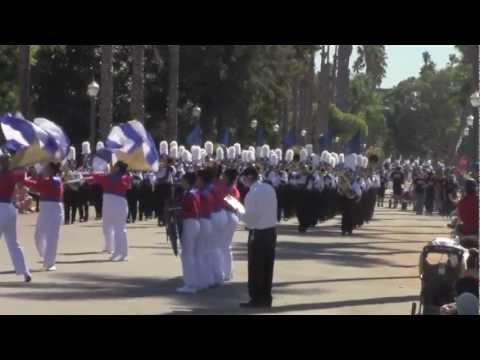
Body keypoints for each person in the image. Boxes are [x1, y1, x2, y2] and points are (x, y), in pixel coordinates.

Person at [238, 167, 278, 309]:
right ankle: (266, 298)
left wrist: (238, 213)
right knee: (267, 266)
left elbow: (250, 219)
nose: (242, 181)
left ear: (249, 177)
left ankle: (256, 299)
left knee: (256, 267)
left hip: (258, 233)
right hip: (271, 232)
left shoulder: (252, 194)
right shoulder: (269, 188)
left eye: (243, 178)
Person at [24, 162, 64, 271]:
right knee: (38, 236)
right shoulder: (46, 180)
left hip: (55, 210)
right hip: (45, 209)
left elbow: (36, 186)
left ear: (51, 170)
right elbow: (36, 188)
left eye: (46, 167)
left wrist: (25, 178)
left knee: (52, 237)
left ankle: (50, 263)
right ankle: (46, 256)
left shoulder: (56, 180)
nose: (44, 169)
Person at [89, 161, 132, 261]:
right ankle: (120, 252)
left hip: (116, 204)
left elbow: (97, 178)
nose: (112, 167)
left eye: (114, 166)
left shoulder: (113, 177)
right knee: (119, 229)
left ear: (117, 168)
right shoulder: (124, 176)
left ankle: (122, 253)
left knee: (119, 230)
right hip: (114, 204)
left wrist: (94, 173)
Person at [0, 153, 32, 282]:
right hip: (10, 208)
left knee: (13, 242)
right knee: (13, 243)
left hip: (1, 207)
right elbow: (24, 181)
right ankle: (25, 271)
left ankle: (25, 271)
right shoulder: (14, 175)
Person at [177, 172, 201, 294]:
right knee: (189, 254)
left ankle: (191, 284)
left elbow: (194, 212)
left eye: (182, 180)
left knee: (187, 254)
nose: (181, 182)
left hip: (190, 223)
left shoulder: (190, 194)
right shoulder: (193, 192)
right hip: (192, 223)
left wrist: (179, 213)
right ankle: (192, 281)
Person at [222, 168, 240, 281]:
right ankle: (227, 271)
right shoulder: (230, 188)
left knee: (225, 246)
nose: (222, 178)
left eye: (224, 176)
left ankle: (227, 272)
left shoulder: (232, 190)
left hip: (228, 217)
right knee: (225, 246)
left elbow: (230, 205)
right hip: (228, 217)